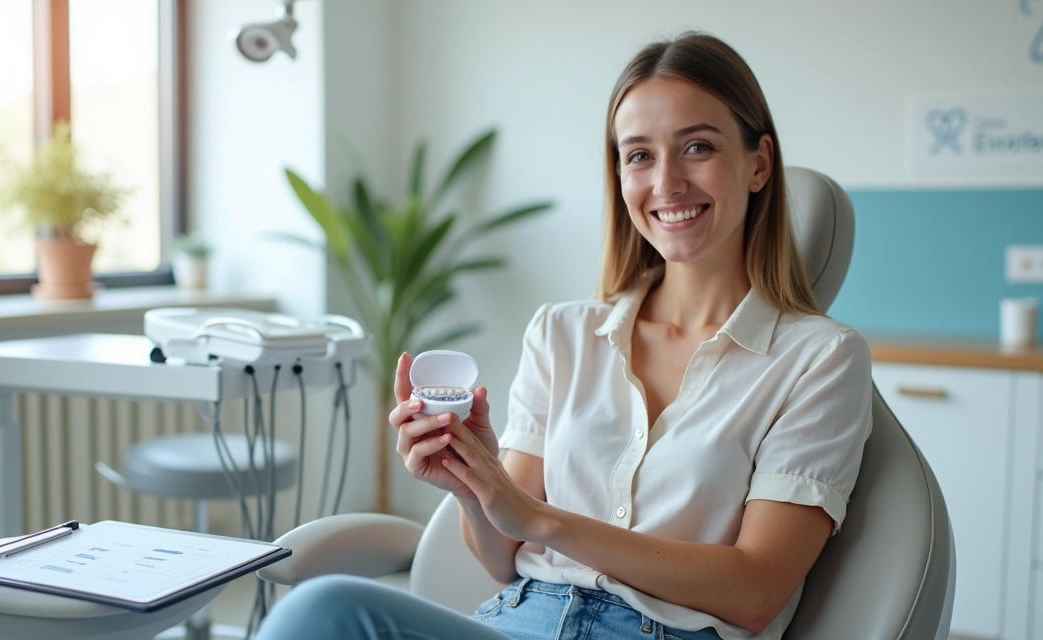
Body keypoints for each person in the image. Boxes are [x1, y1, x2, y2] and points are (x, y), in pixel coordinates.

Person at [257, 31, 872, 640]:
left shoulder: (820, 358)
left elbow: (756, 591)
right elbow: (502, 555)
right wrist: (475, 484)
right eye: (639, 155)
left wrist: (542, 520)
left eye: (698, 147)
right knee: (327, 611)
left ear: (759, 163)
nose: (667, 183)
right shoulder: (562, 333)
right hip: (521, 620)